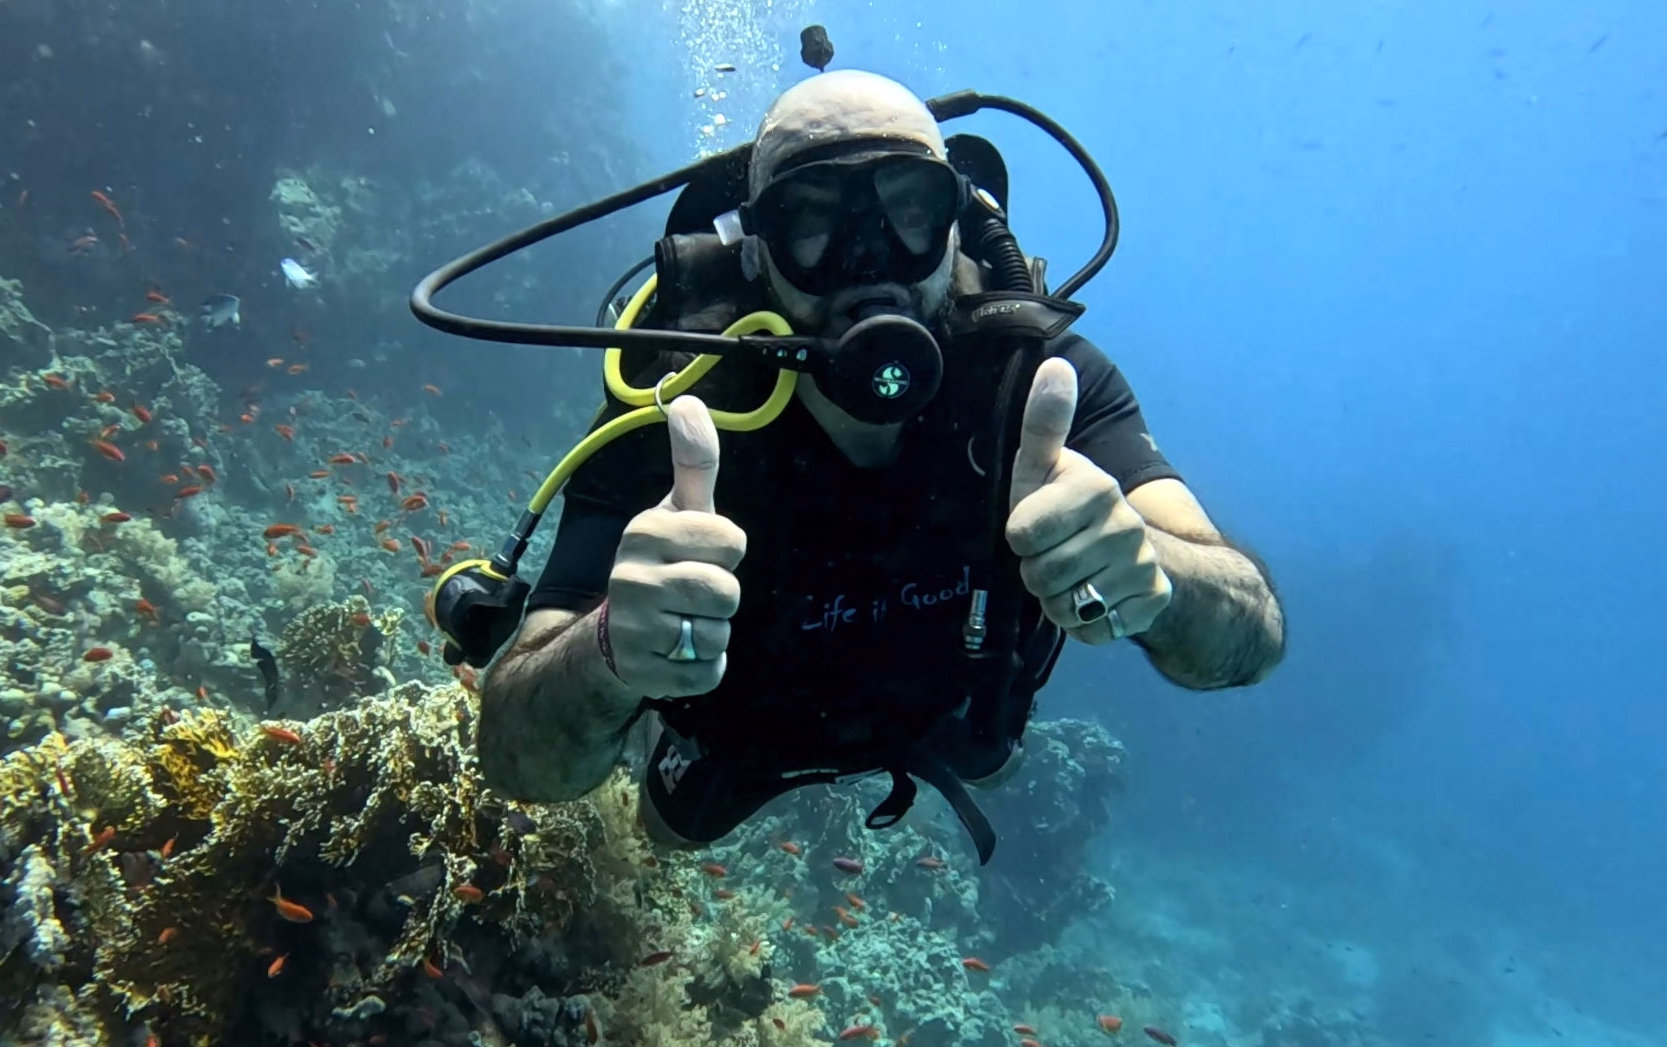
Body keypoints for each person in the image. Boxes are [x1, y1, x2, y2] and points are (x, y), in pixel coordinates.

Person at [476, 70, 1285, 860]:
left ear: (959, 224)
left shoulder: (1040, 383)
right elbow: (517, 760)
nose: (871, 257)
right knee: (665, 833)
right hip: (748, 729)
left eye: (908, 208)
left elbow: (1254, 638)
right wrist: (610, 651)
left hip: (954, 715)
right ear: (757, 249)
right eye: (813, 218)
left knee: (990, 764)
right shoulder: (678, 404)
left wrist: (1159, 574)